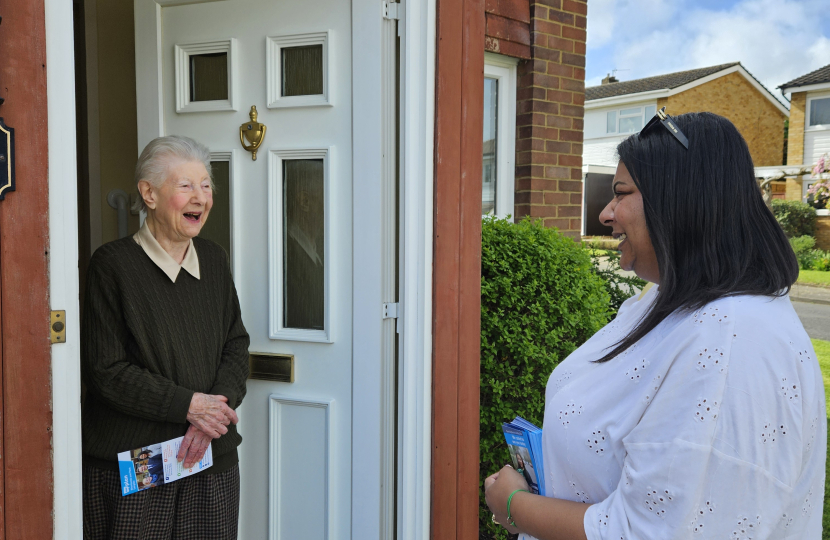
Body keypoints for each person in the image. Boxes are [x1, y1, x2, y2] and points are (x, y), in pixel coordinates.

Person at [485, 111, 826, 540]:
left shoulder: (733, 340)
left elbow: (646, 533)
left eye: (621, 193)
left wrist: (515, 507)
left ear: (681, 201)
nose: (606, 213)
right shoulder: (664, 300)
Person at [82, 135, 250, 539]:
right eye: (186, 185)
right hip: (139, 459)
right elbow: (107, 370)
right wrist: (189, 406)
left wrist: (209, 416)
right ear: (149, 194)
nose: (201, 197)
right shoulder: (112, 265)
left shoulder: (213, 258)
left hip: (210, 454)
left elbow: (236, 343)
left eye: (206, 185)